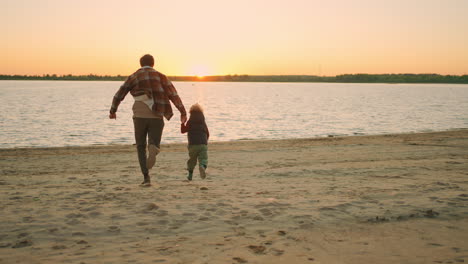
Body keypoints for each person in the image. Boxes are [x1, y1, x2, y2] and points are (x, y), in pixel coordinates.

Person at [109, 54, 187, 185]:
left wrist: (113, 110)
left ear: (140, 64)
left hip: (139, 114)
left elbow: (119, 94)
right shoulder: (161, 76)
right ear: (153, 64)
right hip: (157, 114)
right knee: (154, 142)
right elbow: (173, 94)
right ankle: (154, 146)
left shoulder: (133, 76)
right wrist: (182, 112)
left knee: (140, 146)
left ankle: (146, 178)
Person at [181, 103, 209, 181]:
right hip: (203, 144)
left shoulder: (190, 122)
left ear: (191, 113)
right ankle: (202, 166)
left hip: (193, 144)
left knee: (192, 160)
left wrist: (182, 123)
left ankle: (190, 176)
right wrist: (205, 142)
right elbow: (207, 133)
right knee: (203, 159)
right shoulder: (203, 122)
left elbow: (183, 131)